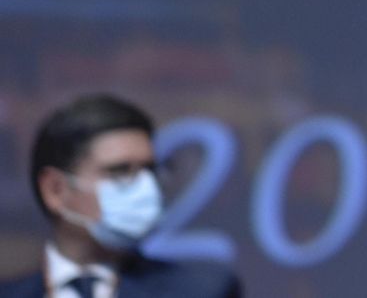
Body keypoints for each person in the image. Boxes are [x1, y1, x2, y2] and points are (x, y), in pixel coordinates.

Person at [0, 94, 239, 298]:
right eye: (120, 172)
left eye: (150, 171)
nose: (146, 188)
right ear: (56, 190)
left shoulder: (202, 291)